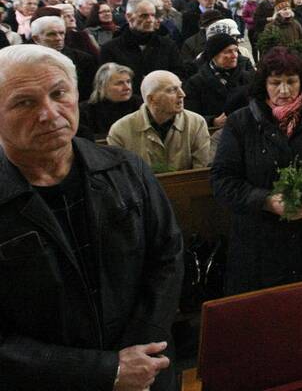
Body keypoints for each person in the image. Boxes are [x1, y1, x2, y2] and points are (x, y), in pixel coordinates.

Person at [0, 45, 183, 391]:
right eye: (25, 102)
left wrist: (140, 354)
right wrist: (106, 370)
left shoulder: (126, 169)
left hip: (149, 370)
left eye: (59, 93)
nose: (49, 113)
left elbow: (167, 259)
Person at [211, 48, 302, 299]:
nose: (284, 90)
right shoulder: (242, 122)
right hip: (262, 239)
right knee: (272, 313)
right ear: (263, 85)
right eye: (275, 82)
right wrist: (266, 201)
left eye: (291, 81)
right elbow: (222, 179)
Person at [107, 70, 212, 172]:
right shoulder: (120, 130)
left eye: (180, 87)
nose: (182, 94)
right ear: (152, 99)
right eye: (172, 90)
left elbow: (201, 172)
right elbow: (120, 177)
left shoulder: (197, 123)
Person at [99, 0, 183, 93]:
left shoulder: (168, 45)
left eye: (152, 15)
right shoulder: (110, 49)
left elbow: (178, 75)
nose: (150, 20)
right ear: (128, 17)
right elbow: (106, 84)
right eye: (144, 16)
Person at [182, 33, 253, 142]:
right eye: (228, 52)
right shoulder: (196, 82)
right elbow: (189, 114)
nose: (234, 55)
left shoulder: (247, 78)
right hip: (211, 137)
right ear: (214, 55)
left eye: (235, 50)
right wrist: (212, 121)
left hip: (246, 135)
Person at [31, 15, 97, 101]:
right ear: (36, 38)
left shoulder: (83, 59)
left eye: (62, 33)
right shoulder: (27, 62)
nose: (59, 38)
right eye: (52, 34)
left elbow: (88, 92)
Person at [78, 62, 140, 141]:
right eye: (119, 83)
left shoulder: (139, 105)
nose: (127, 87)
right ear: (102, 87)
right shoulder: (85, 111)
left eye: (128, 82)